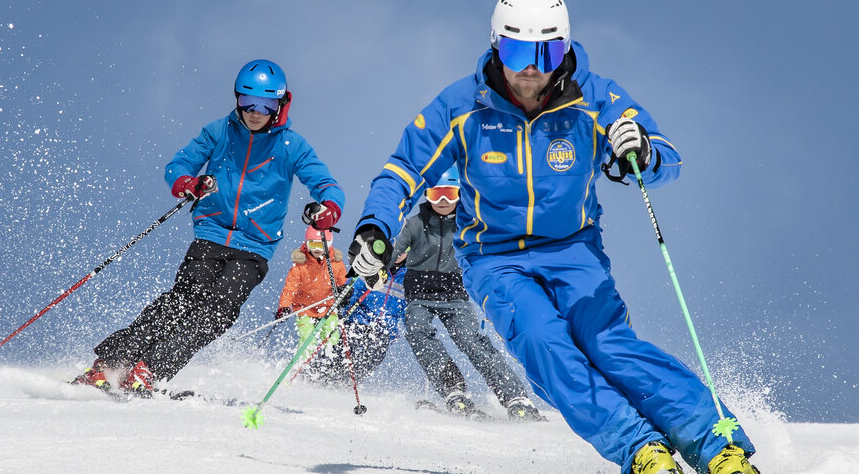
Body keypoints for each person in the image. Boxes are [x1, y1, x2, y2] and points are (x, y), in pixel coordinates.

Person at [345, 0, 761, 474]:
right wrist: (375, 229)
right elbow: (403, 169)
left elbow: (667, 156)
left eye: (547, 51)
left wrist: (642, 150)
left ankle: (719, 446)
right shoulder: (462, 106)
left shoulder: (594, 97)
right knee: (545, 342)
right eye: (518, 51)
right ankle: (641, 447)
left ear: (564, 48)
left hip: (574, 250)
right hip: (494, 258)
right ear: (496, 47)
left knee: (609, 345)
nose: (531, 67)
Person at [74, 59, 345, 395]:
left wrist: (328, 208)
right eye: (248, 102)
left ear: (280, 104)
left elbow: (326, 184)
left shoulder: (291, 146)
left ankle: (149, 370)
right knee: (182, 300)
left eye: (266, 104)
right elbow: (179, 165)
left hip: (253, 247)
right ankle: (110, 364)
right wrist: (187, 182)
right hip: (211, 234)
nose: (255, 112)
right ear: (237, 99)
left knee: (219, 311)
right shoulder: (219, 131)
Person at [392, 168, 542, 420]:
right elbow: (394, 254)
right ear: (427, 195)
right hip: (419, 295)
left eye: (449, 195)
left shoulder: (468, 224)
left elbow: (491, 245)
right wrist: (388, 261)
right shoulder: (415, 224)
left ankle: (516, 397)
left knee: (470, 339)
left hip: (454, 296)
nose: (442, 201)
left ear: (459, 195)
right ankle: (453, 390)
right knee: (417, 330)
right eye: (436, 194)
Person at [298, 271, 404, 386]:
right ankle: (311, 375)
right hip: (360, 320)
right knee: (345, 351)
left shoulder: (408, 276)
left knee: (370, 359)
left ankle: (343, 386)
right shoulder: (373, 265)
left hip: (385, 329)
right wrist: (347, 295)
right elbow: (355, 287)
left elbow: (409, 310)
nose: (397, 253)